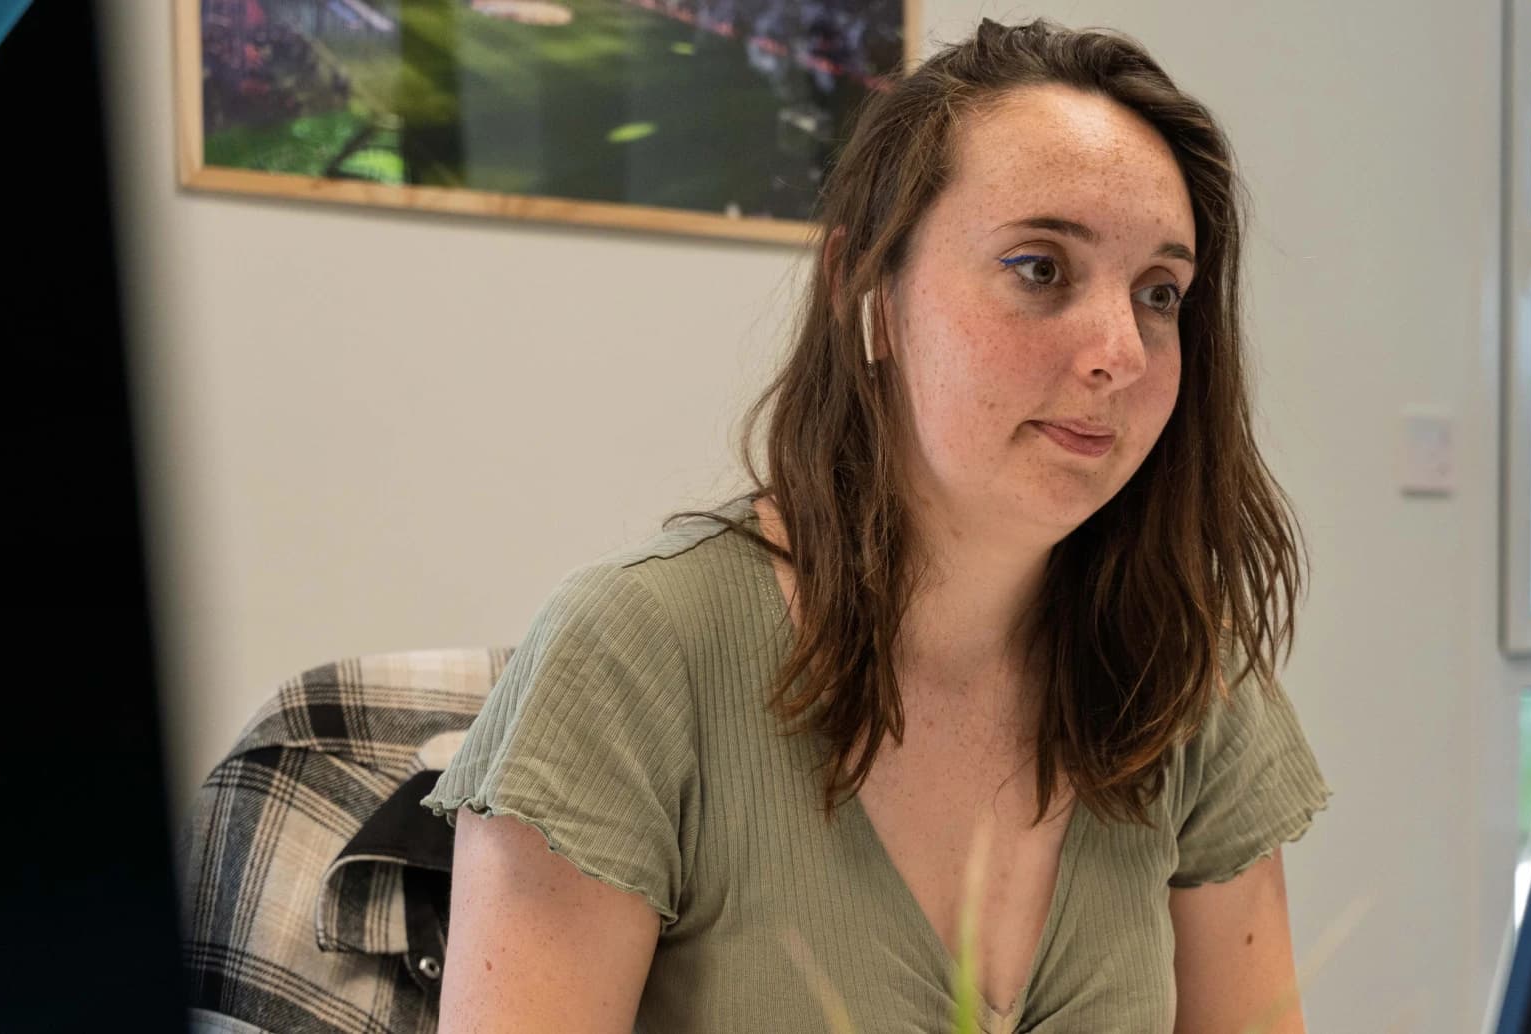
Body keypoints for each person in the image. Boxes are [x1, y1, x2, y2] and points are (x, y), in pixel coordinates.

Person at [423, 18, 1330, 1033]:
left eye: (1159, 293)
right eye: (1039, 268)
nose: (1118, 349)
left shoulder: (1188, 673)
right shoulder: (635, 653)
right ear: (867, 289)